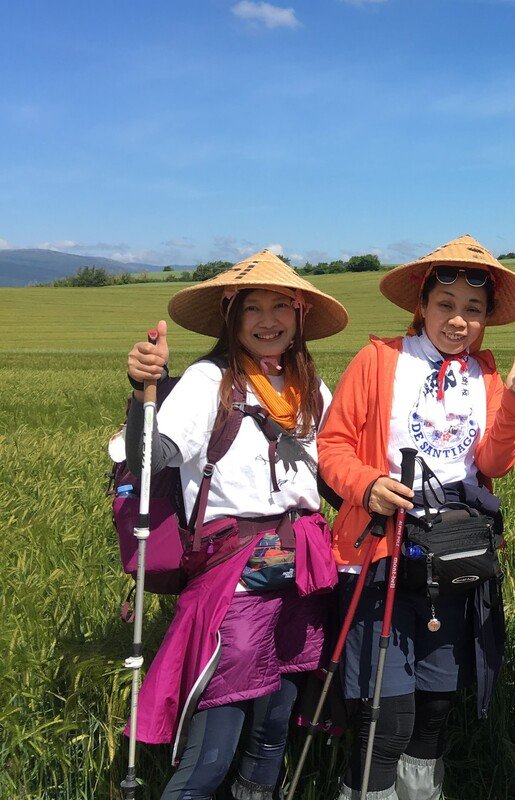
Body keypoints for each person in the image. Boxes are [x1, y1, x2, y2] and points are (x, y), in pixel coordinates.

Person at [318, 235, 515, 800]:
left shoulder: (487, 377)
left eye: (473, 309)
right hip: (382, 557)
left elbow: (493, 463)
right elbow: (334, 444)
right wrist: (367, 485)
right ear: (422, 306)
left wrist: (514, 407)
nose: (459, 320)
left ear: (487, 317)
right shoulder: (380, 360)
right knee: (385, 719)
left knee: (436, 711)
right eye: (446, 305)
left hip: (455, 563)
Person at [124, 250, 348, 800]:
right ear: (231, 316)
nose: (268, 321)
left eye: (281, 307)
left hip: (302, 572)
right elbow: (149, 458)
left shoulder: (310, 388)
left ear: (299, 316)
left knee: (274, 729)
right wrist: (140, 392)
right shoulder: (208, 381)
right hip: (236, 576)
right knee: (216, 741)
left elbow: (336, 477)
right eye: (253, 309)